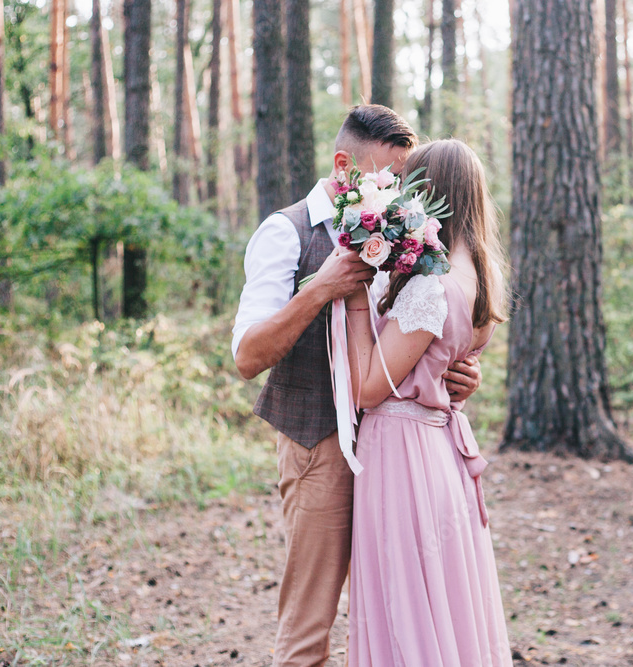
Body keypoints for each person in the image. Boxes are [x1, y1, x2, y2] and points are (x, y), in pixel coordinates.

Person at [231, 106, 485, 667]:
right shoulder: (285, 231)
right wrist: (320, 289)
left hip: (399, 459)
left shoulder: (406, 232)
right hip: (320, 445)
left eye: (404, 180)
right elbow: (248, 357)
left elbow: (417, 332)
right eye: (386, 178)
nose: (398, 194)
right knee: (310, 627)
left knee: (395, 619)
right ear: (345, 165)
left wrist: (455, 372)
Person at [343, 139, 514, 666]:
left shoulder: (431, 286)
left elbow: (371, 386)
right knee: (439, 600)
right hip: (438, 452)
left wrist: (352, 298)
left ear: (429, 194)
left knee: (405, 603)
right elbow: (442, 360)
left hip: (402, 455)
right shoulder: (479, 279)